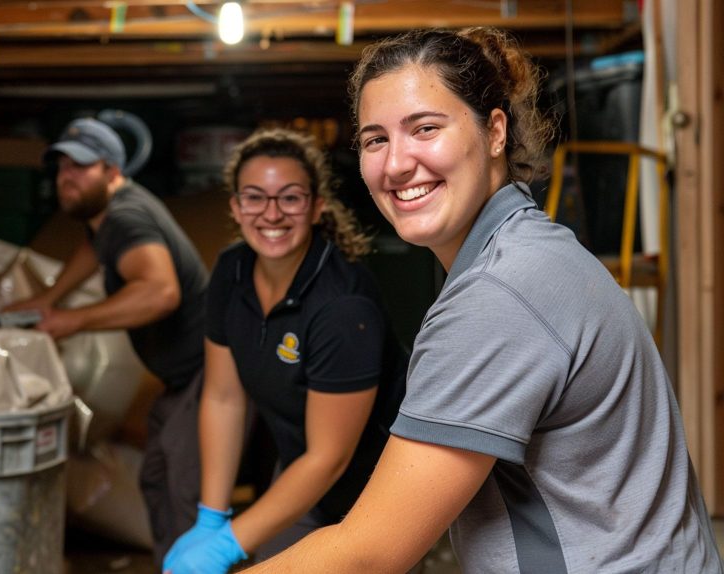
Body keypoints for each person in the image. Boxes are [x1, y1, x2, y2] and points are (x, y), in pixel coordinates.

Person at [243, 27, 722, 573]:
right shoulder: (535, 250)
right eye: (376, 139)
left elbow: (370, 554)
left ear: (495, 131)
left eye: (424, 128)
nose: (396, 163)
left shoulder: (500, 294)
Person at [162, 128, 407, 574]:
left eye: (290, 198)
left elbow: (329, 457)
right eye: (254, 198)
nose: (271, 214)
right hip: (302, 471)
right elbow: (223, 397)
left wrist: (228, 545)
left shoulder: (342, 306)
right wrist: (212, 519)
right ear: (236, 208)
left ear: (316, 207)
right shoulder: (232, 271)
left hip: (379, 492)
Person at [6, 117, 209, 565]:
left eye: (81, 167)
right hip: (184, 377)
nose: (67, 178)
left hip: (208, 375)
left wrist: (70, 320)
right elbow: (93, 248)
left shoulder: (126, 216)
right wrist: (48, 298)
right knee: (157, 477)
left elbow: (161, 292)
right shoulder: (108, 219)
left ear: (113, 172)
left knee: (180, 488)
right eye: (61, 168)